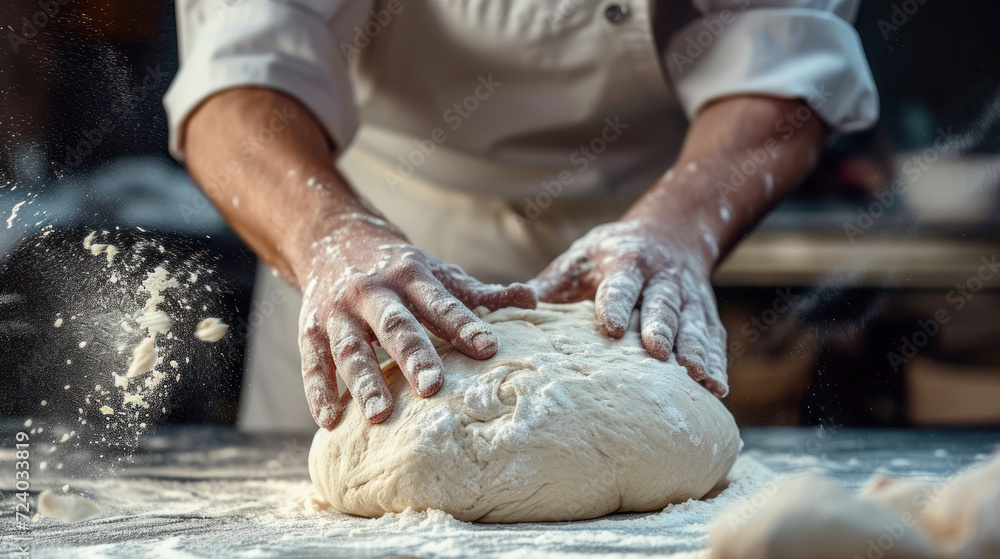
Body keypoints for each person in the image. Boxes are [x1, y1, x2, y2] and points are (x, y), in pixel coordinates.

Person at [164, 0, 878, 432]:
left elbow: (786, 54)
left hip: (640, 254)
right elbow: (235, 76)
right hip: (363, 247)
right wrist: (328, 240)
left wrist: (679, 227)